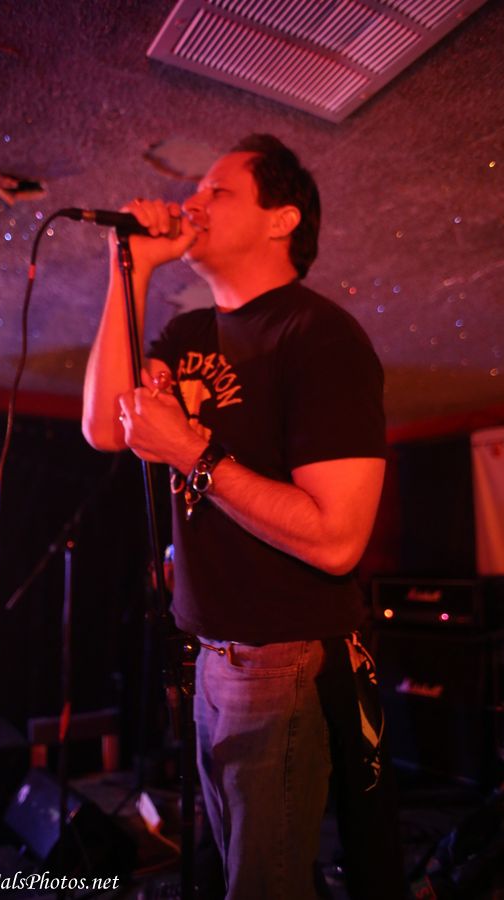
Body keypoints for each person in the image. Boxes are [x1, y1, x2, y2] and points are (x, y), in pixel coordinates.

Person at [82, 134, 403, 899]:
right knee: (227, 864)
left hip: (280, 661)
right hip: (211, 655)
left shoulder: (321, 337)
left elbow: (337, 540)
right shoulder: (189, 335)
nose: (191, 204)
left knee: (263, 883)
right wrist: (133, 269)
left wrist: (192, 451)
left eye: (217, 191)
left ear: (281, 219)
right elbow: (103, 426)